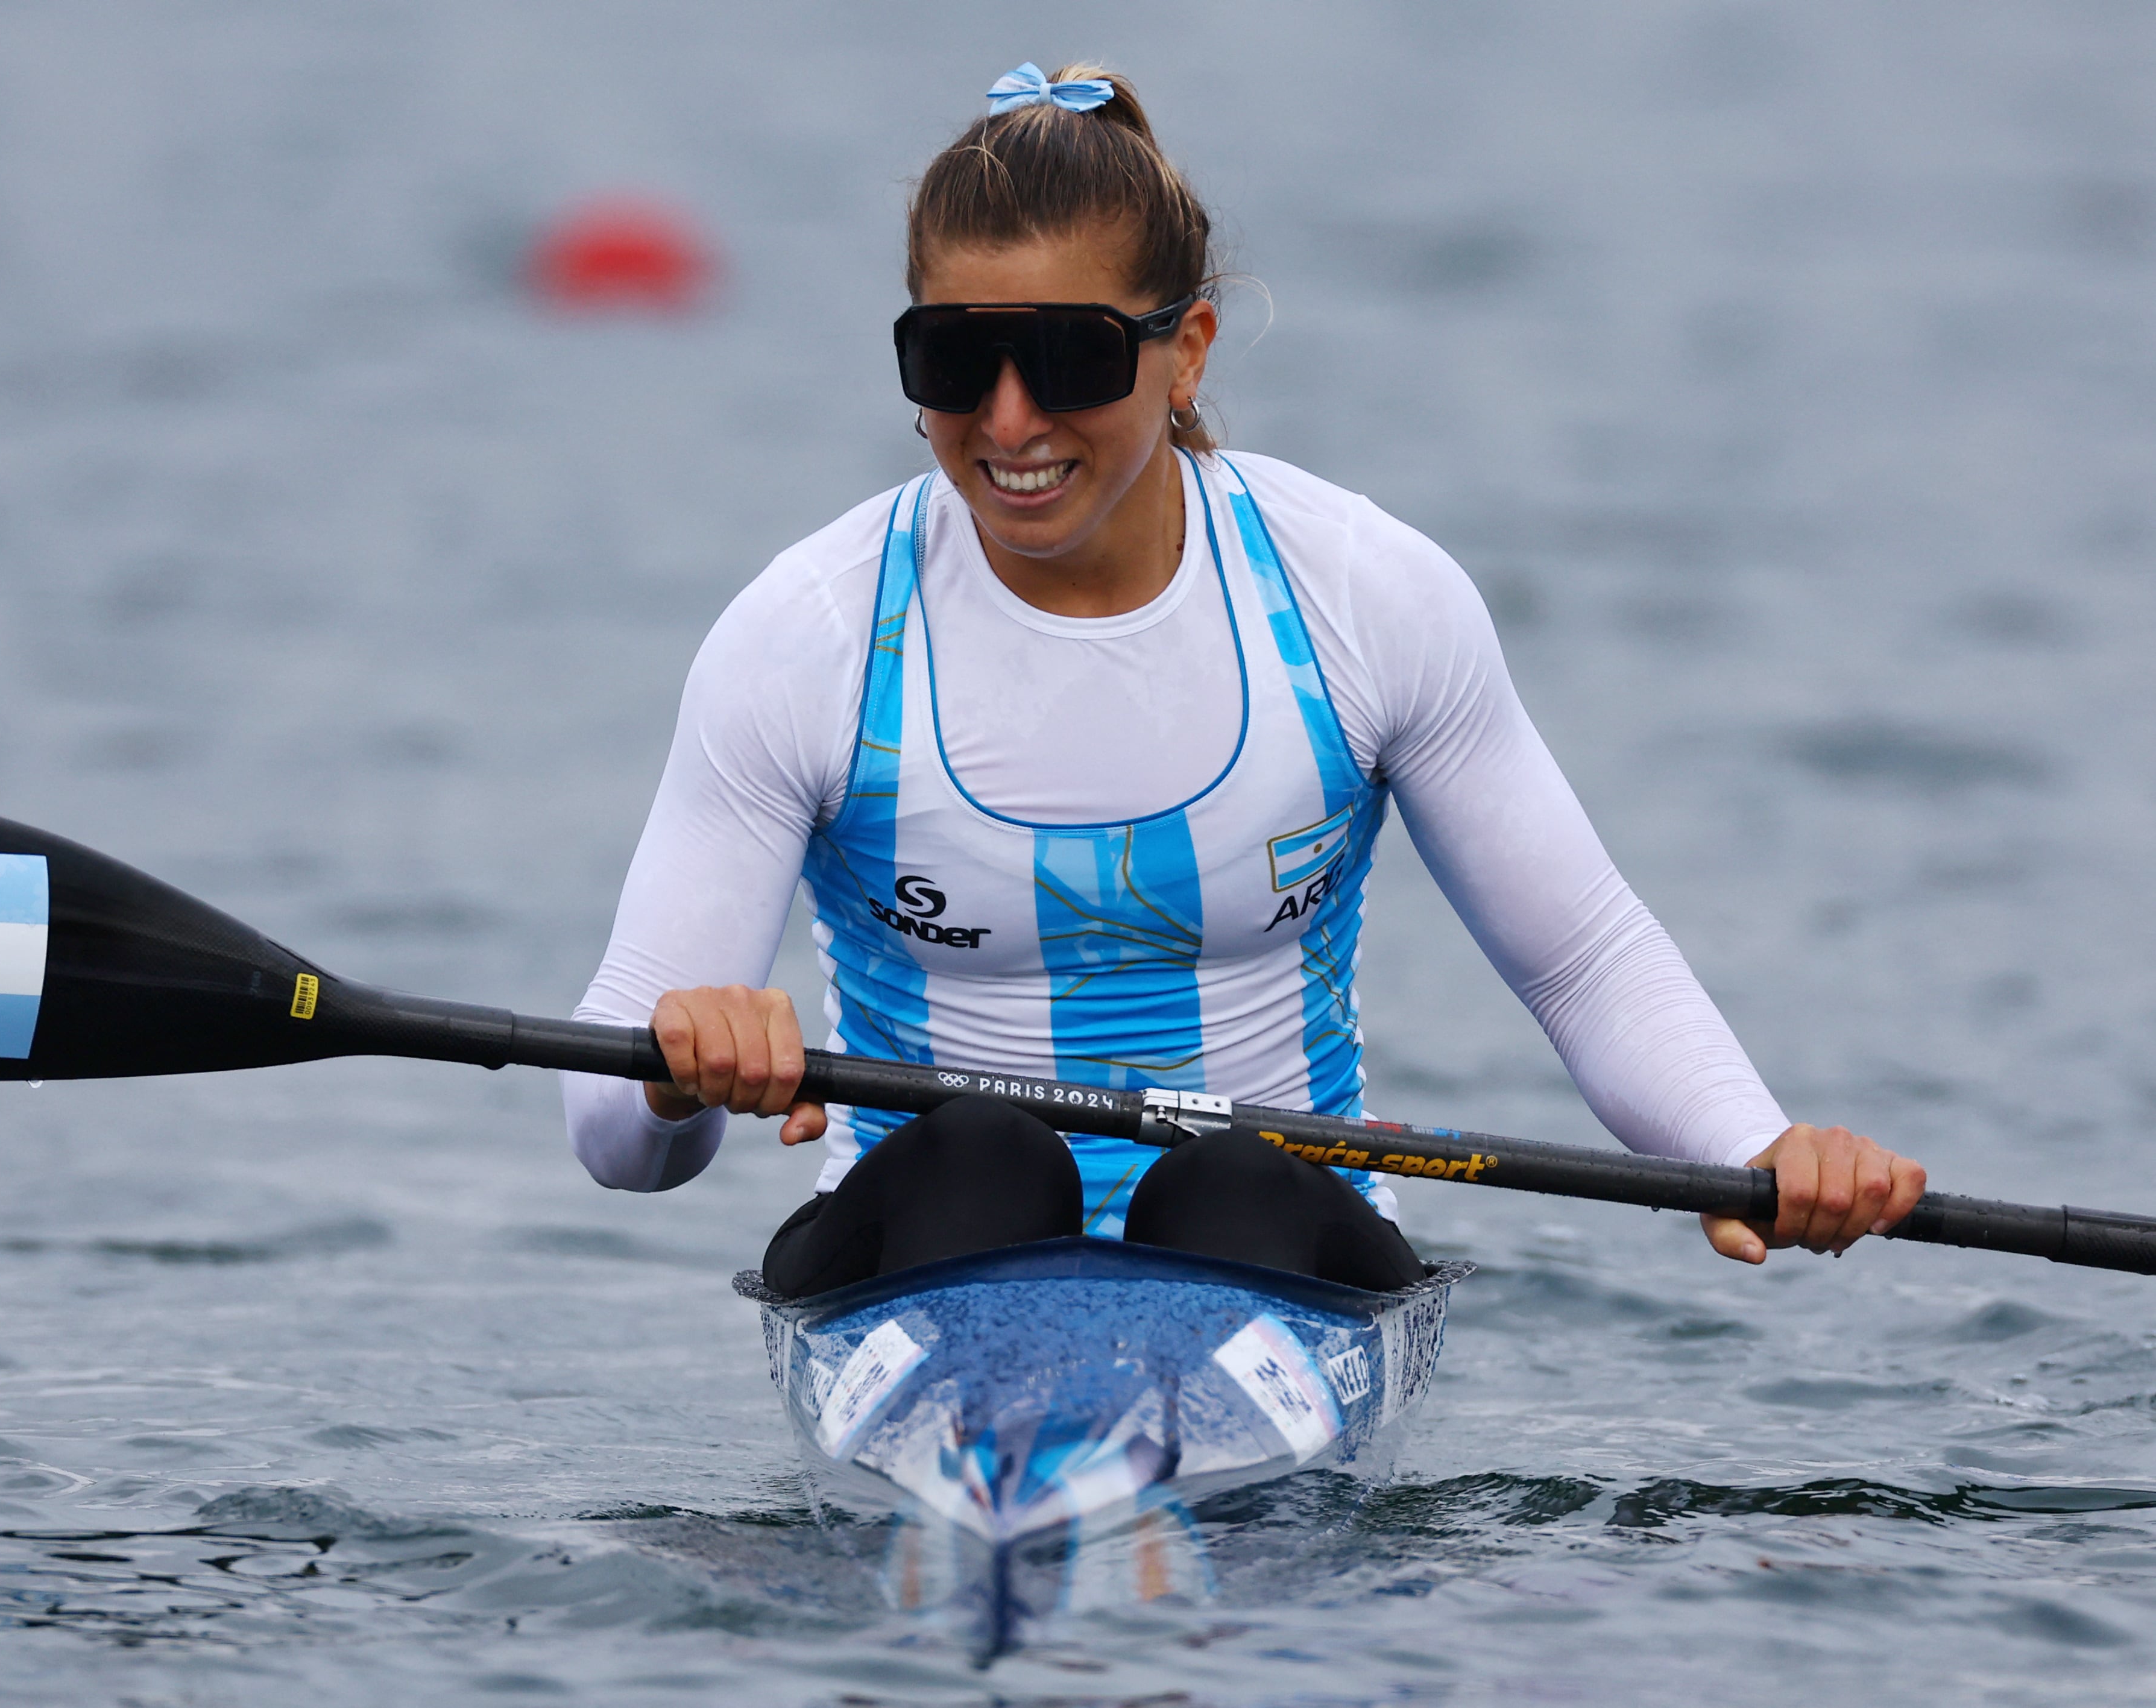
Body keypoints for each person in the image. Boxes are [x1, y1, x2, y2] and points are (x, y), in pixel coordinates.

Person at [561, 61, 1926, 1297]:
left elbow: (1579, 963)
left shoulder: (1357, 595)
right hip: (924, 1239)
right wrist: (682, 1071)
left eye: (1071, 356)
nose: (1009, 418)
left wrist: (1752, 1144)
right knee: (981, 1152)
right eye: (953, 358)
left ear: (1187, 350)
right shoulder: (804, 633)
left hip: (1271, 1236)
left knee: (1228, 1176)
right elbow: (618, 1152)